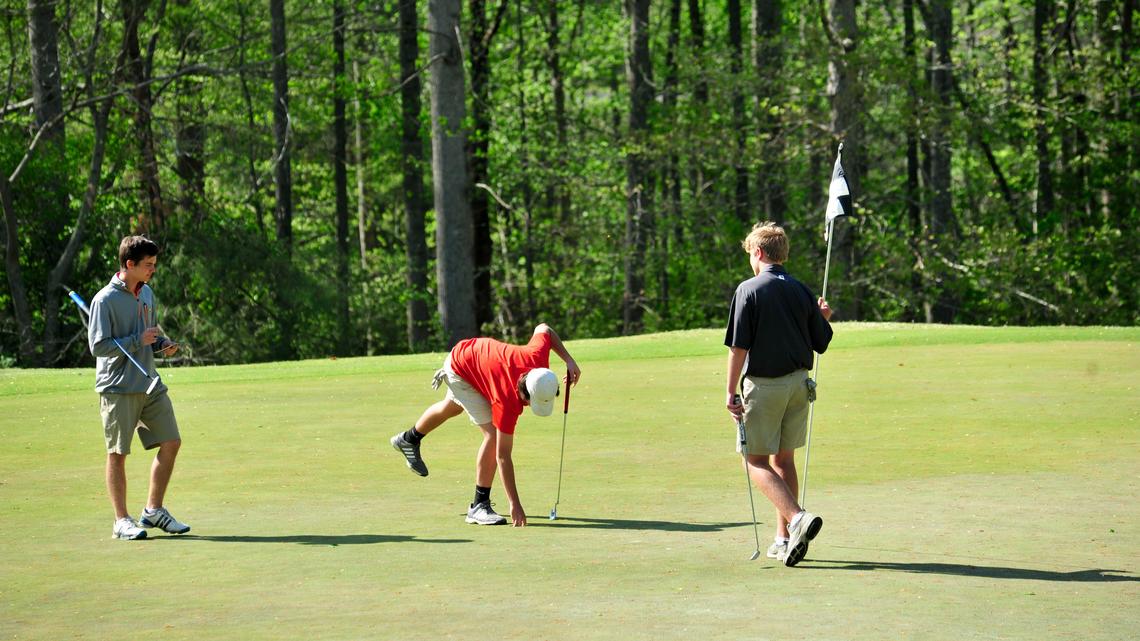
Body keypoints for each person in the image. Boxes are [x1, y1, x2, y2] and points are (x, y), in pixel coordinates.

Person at [390, 324, 581, 527]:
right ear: (523, 392)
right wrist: (514, 503)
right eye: (528, 401)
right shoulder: (507, 401)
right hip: (463, 368)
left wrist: (569, 360)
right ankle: (479, 506)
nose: (526, 405)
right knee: (492, 435)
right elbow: (503, 456)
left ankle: (409, 439)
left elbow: (545, 329)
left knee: (453, 407)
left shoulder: (538, 361)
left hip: (469, 357)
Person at [724, 222, 833, 567]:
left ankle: (797, 518)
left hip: (766, 386)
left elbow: (738, 347)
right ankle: (784, 539)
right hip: (800, 385)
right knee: (783, 460)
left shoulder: (749, 289)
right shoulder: (801, 290)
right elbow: (822, 341)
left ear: (758, 253)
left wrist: (729, 391)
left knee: (754, 460)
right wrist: (823, 318)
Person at [88, 235, 189, 540]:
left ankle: (153, 510)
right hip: (117, 387)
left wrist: (162, 344)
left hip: (148, 381)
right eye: (148, 265)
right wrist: (137, 341)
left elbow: (150, 335)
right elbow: (98, 346)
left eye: (154, 264)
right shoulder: (104, 300)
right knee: (118, 453)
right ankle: (121, 521)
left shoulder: (147, 295)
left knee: (171, 441)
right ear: (129, 264)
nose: (152, 270)